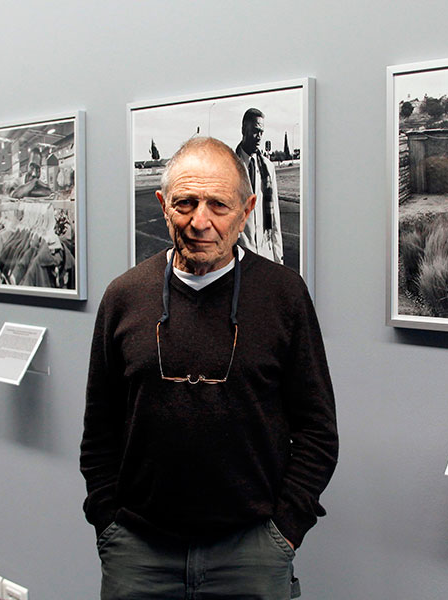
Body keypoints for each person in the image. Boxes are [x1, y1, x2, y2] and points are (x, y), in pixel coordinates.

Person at [81, 137, 338, 599]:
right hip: (138, 555)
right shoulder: (124, 297)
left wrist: (285, 532)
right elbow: (99, 428)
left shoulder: (283, 296)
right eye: (186, 203)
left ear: (246, 210)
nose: (201, 221)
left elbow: (318, 429)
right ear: (163, 205)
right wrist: (108, 523)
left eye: (219, 205)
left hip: (251, 554)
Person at [235, 108, 284, 263]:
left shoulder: (268, 168)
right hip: (238, 256)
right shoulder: (229, 165)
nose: (259, 137)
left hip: (264, 254)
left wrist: (278, 258)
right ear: (244, 129)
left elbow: (274, 217)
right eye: (255, 131)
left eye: (262, 132)